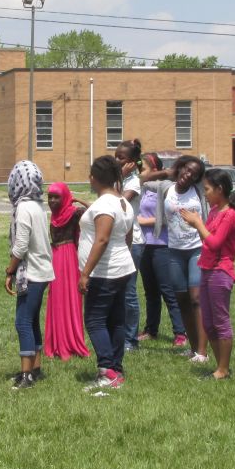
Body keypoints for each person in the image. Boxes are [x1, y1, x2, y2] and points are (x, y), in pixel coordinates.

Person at [179, 167, 235, 380]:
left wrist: (198, 223)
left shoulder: (230, 214)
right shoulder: (216, 211)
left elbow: (215, 243)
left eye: (207, 189)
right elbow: (207, 240)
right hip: (207, 269)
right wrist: (197, 224)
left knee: (220, 321)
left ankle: (223, 370)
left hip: (220, 272)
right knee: (208, 322)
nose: (205, 193)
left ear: (220, 189)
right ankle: (220, 367)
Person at [78, 155, 136, 391]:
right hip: (122, 267)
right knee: (115, 320)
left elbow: (101, 239)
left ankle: (107, 370)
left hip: (105, 272)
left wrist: (85, 273)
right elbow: (127, 237)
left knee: (95, 320)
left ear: (94, 178)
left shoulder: (104, 205)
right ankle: (116, 369)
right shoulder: (123, 202)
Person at [141, 156, 208, 360]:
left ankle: (203, 352)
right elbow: (142, 180)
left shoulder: (198, 191)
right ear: (180, 168)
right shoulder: (165, 187)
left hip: (196, 249)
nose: (188, 175)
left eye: (193, 174)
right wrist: (167, 172)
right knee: (182, 300)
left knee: (196, 299)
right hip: (174, 250)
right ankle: (193, 347)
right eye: (186, 170)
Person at [5, 161, 54, 389]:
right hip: (42, 270)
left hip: (31, 272)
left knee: (22, 321)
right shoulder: (37, 206)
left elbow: (21, 244)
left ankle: (26, 375)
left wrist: (10, 269)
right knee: (32, 320)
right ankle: (35, 368)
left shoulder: (24, 207)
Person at [135, 152, 185, 344]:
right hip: (144, 245)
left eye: (144, 169)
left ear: (155, 171)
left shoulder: (165, 188)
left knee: (168, 290)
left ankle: (180, 332)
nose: (141, 173)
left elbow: (167, 218)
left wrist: (140, 221)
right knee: (150, 291)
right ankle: (151, 329)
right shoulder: (143, 189)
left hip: (161, 245)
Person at [44, 182, 90, 360]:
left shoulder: (74, 212)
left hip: (69, 257)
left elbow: (93, 210)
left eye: (57, 197)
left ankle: (71, 341)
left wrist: (77, 199)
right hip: (55, 257)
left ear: (65, 198)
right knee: (56, 299)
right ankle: (56, 342)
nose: (53, 200)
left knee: (70, 297)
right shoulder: (54, 215)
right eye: (50, 197)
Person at [114, 139, 145, 351]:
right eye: (115, 156)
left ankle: (130, 339)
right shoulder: (119, 180)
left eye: (121, 158)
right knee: (117, 290)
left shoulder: (133, 182)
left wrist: (122, 176)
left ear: (132, 162)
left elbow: (118, 202)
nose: (117, 160)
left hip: (133, 242)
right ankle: (119, 333)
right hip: (119, 239)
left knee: (129, 291)